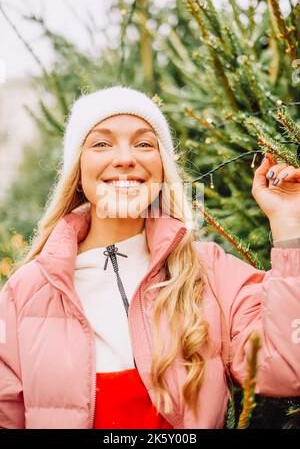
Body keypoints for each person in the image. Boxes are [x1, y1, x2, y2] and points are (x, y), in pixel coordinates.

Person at [0, 85, 300, 430]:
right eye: (101, 143)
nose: (126, 158)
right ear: (77, 171)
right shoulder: (25, 293)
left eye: (144, 143)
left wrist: (289, 227)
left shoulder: (212, 274)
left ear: (161, 168)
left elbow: (287, 368)